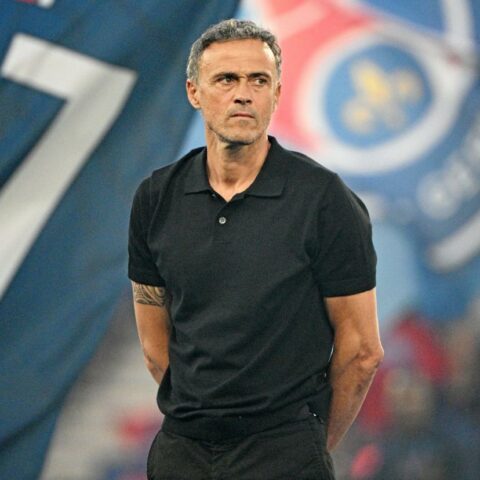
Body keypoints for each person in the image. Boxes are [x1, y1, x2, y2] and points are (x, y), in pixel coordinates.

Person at [128, 18, 384, 480]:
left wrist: (307, 444)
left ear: (277, 93)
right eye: (226, 79)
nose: (244, 94)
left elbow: (362, 351)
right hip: (180, 455)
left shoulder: (323, 199)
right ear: (194, 92)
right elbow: (153, 345)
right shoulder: (156, 197)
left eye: (259, 80)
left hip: (283, 454)